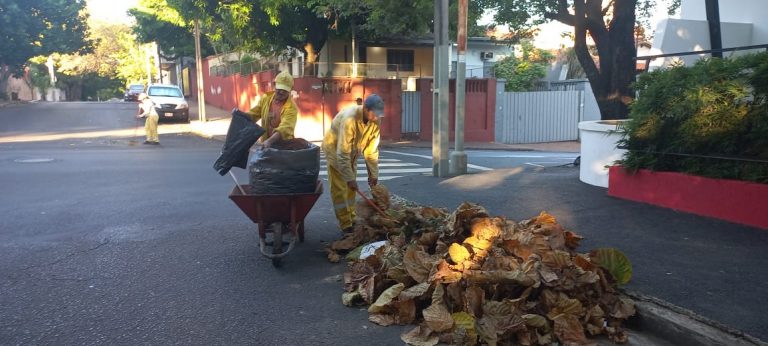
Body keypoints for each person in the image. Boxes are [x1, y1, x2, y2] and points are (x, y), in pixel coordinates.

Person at [322, 94, 385, 233]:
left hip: (352, 153)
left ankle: (351, 216)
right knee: (340, 189)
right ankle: (346, 224)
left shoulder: (375, 121)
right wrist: (349, 179)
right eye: (375, 114)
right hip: (335, 152)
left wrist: (373, 174)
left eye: (379, 115)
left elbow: (371, 149)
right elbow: (342, 153)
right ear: (366, 109)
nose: (377, 117)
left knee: (352, 189)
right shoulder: (350, 119)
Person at [241, 71, 298, 148]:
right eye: (279, 88)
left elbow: (286, 127)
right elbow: (254, 113)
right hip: (266, 143)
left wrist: (270, 141)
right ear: (274, 85)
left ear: (290, 89)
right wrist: (240, 117)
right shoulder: (266, 98)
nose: (281, 92)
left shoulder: (291, 108)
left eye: (285, 90)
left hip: (284, 147)